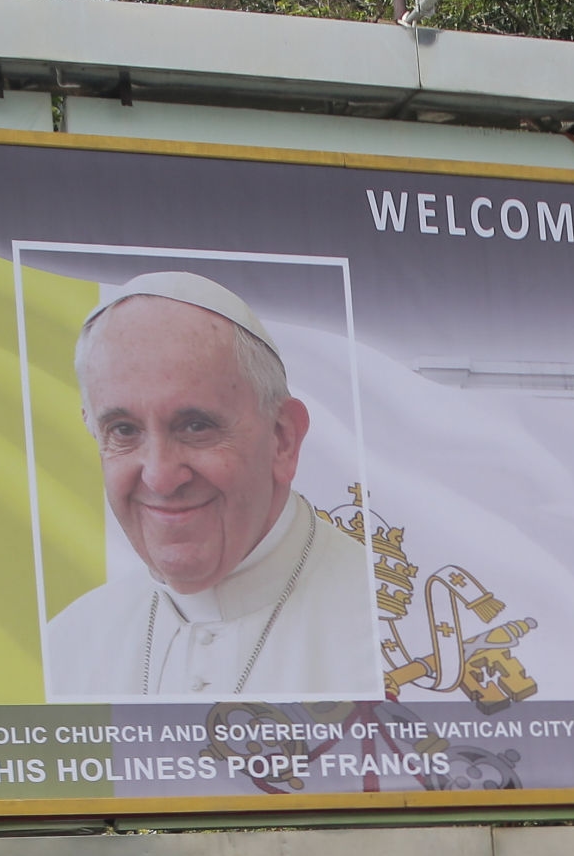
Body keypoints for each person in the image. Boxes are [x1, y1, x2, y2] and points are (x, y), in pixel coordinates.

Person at [42, 271, 373, 701]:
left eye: (196, 426)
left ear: (282, 439)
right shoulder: (67, 647)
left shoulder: (397, 635)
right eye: (124, 430)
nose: (160, 477)